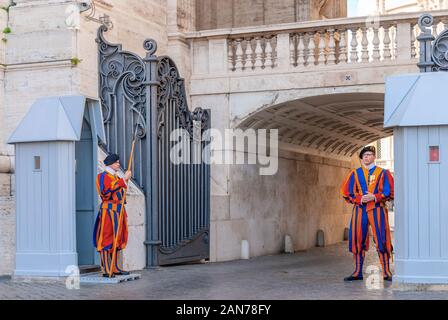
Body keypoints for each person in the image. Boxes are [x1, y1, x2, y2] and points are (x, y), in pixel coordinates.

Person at [340, 146, 394, 282]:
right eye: (364, 155)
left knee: (382, 238)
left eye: (369, 154)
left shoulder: (383, 173)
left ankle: (387, 272)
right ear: (362, 157)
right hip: (360, 209)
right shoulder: (355, 173)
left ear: (374, 157)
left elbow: (389, 191)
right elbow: (346, 193)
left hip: (377, 208)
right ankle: (357, 271)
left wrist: (375, 197)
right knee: (357, 239)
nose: (366, 156)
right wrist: (359, 198)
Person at [93, 153, 132, 277]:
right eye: (116, 162)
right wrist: (123, 180)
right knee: (106, 239)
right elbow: (105, 192)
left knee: (117, 239)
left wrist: (123, 181)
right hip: (108, 211)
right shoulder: (102, 176)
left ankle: (114, 268)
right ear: (110, 163)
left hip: (119, 211)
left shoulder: (116, 177)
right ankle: (106, 269)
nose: (118, 164)